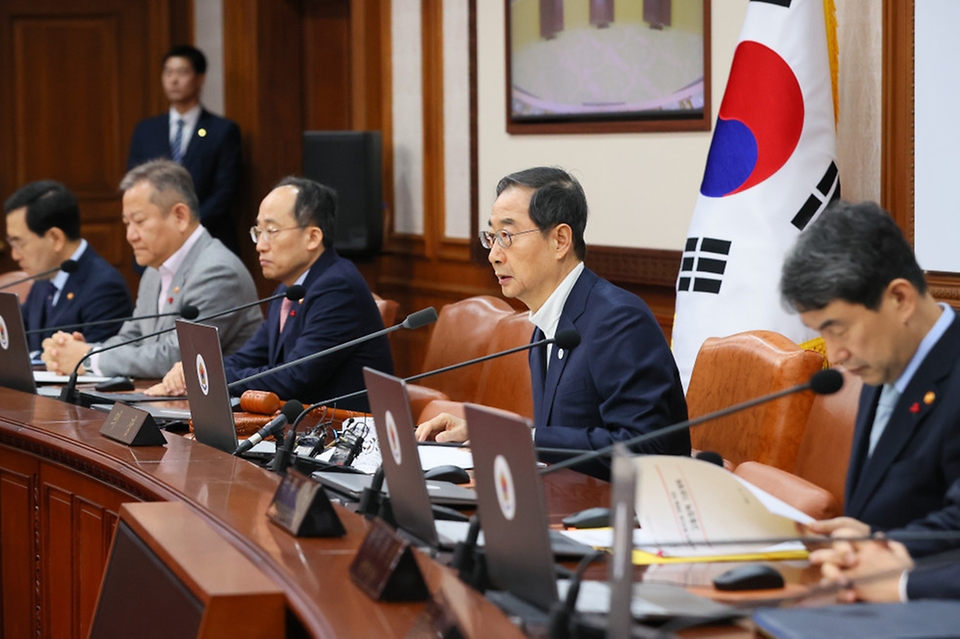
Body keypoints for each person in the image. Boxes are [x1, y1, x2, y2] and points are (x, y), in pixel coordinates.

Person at [415, 166, 689, 479]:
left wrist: (518, 439)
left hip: (628, 518)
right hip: (567, 505)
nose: (493, 255)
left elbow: (640, 450)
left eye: (507, 236)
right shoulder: (548, 325)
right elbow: (565, 438)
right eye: (491, 237)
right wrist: (478, 433)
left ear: (560, 240)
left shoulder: (619, 321)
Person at [780, 200, 960, 558]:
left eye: (840, 330)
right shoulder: (883, 366)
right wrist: (865, 539)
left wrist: (879, 548)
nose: (835, 355)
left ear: (899, 299)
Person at [145, 177, 393, 411]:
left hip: (341, 437)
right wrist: (196, 369)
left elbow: (294, 376)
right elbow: (249, 357)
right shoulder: (289, 289)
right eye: (258, 232)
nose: (260, 245)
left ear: (312, 237)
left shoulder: (338, 288)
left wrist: (205, 375)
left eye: (271, 231)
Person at [41, 160, 261, 379]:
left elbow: (178, 356)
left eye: (139, 221)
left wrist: (89, 358)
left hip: (213, 409)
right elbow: (132, 336)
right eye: (127, 223)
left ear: (180, 217)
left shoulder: (217, 271)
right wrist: (81, 353)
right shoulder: (153, 270)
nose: (130, 235)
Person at [127, 45, 242, 254]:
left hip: (207, 235)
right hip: (156, 239)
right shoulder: (146, 130)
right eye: (168, 72)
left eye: (182, 72)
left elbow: (225, 190)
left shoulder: (222, 130)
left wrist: (188, 225)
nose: (173, 80)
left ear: (199, 78)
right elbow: (135, 181)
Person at [4, 181, 132, 351]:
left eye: (19, 243)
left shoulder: (105, 287)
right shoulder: (44, 276)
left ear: (55, 238)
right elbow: (18, 337)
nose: (15, 255)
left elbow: (98, 363)